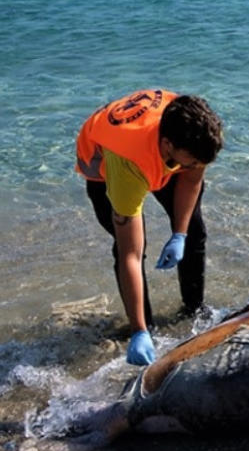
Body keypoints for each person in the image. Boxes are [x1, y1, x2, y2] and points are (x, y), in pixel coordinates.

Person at [76, 89, 224, 366]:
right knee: (131, 250)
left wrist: (179, 234)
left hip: (159, 146)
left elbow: (191, 179)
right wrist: (138, 332)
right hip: (105, 163)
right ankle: (144, 329)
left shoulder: (198, 134)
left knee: (194, 231)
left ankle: (194, 311)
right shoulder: (128, 165)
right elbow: (130, 254)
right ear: (168, 145)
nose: (196, 167)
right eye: (191, 162)